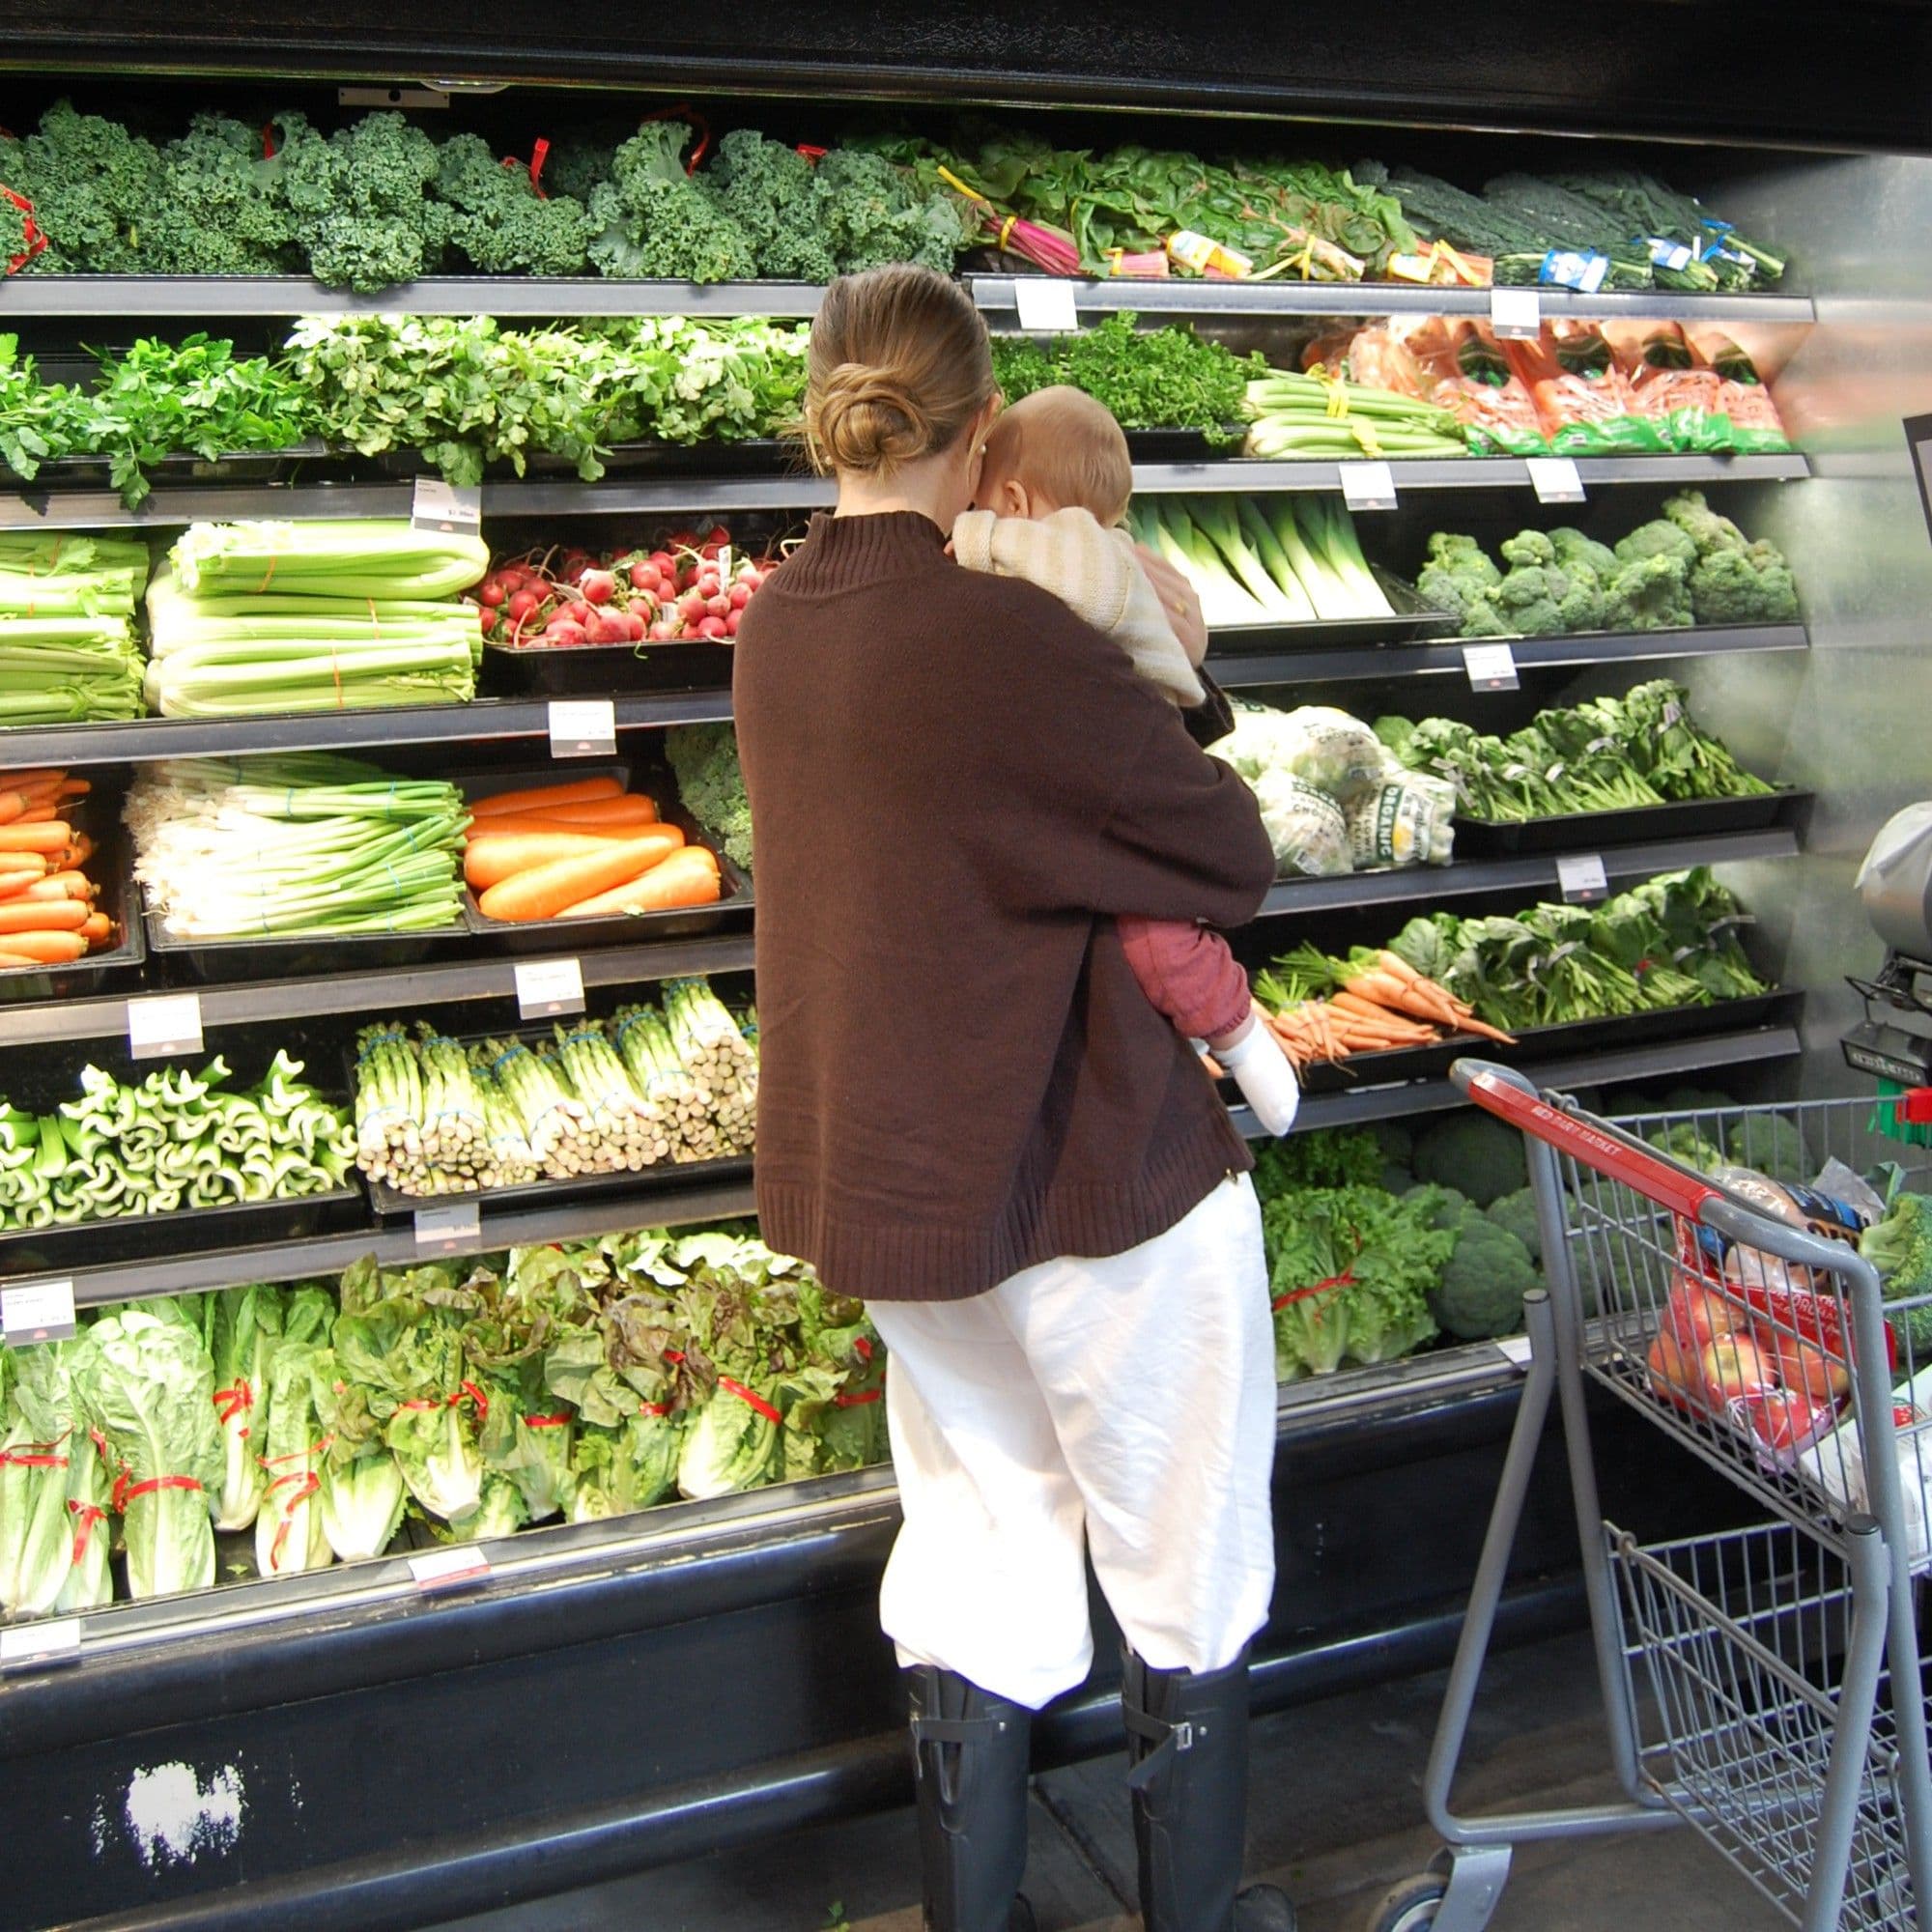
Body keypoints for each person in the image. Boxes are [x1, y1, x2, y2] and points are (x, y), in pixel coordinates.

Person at [733, 264, 1293, 1932]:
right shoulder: (1000, 637)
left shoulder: (777, 625)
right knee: (1185, 1568)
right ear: (987, 443)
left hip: (908, 1206)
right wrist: (1161, 661)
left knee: (977, 1560)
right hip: (1093, 1190)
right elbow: (1225, 852)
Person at [951, 383, 1301, 1138]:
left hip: (1129, 782)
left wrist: (964, 542)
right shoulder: (1107, 553)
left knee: (1160, 940)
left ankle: (1244, 1045)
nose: (976, 521)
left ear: (1013, 499)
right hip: (1137, 766)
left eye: (982, 505)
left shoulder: (1076, 549)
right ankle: (1240, 1043)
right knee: (1157, 930)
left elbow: (1037, 559)